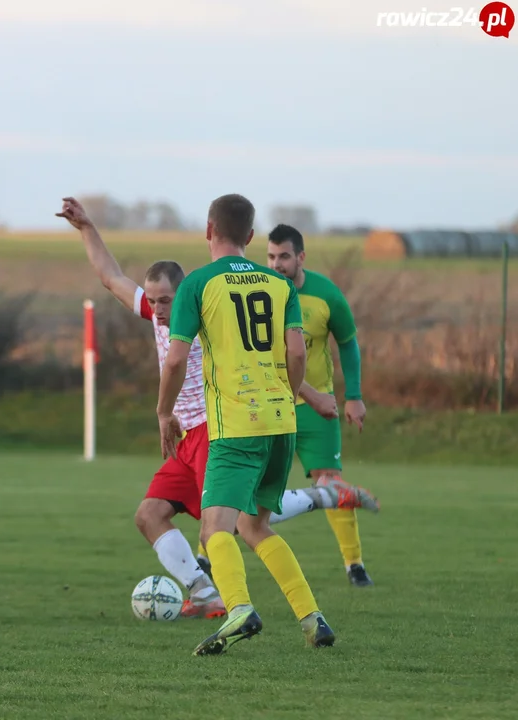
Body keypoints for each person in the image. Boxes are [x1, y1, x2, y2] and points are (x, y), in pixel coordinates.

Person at [58, 197, 373, 620]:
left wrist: (313, 395)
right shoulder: (157, 314)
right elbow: (110, 276)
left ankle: (324, 495)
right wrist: (86, 228)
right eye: (154, 302)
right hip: (182, 437)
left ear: (183, 294)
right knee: (150, 515)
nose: (159, 310)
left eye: (166, 300)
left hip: (216, 429)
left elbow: (267, 358)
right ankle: (204, 591)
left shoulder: (204, 309)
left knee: (246, 524)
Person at [157, 193, 335, 656]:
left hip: (236, 425)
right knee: (256, 527)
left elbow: (176, 359)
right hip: (281, 421)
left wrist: (164, 411)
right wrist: (288, 395)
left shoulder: (197, 284)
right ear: (253, 237)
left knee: (214, 527)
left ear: (208, 230)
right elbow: (297, 353)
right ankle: (311, 617)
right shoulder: (281, 286)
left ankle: (238, 608)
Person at [266, 223, 377, 586]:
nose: (276, 264)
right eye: (270, 256)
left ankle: (354, 565)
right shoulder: (260, 293)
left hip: (317, 409)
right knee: (243, 480)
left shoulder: (327, 294)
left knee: (331, 482)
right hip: (269, 405)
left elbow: (348, 342)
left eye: (283, 256)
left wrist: (354, 396)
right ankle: (206, 560)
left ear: (301, 257)